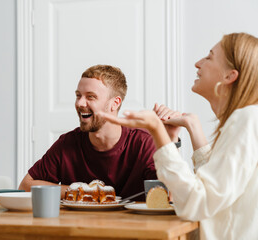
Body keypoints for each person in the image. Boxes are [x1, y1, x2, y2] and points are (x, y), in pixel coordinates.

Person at [99, 32, 258, 239]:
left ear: (229, 76)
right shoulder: (247, 119)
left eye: (209, 57)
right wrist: (191, 126)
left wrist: (157, 132)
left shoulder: (246, 120)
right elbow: (216, 188)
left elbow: (197, 203)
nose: (197, 63)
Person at [18, 64, 180, 200]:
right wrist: (82, 191)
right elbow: (26, 186)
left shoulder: (144, 142)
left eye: (91, 97)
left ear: (114, 103)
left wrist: (170, 139)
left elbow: (172, 194)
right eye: (78, 95)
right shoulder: (68, 143)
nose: (80, 103)